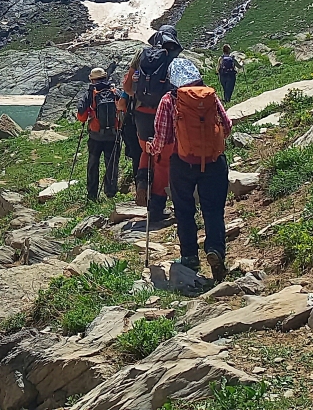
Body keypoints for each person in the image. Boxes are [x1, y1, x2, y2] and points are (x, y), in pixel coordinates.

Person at [149, 57, 233, 279]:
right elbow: (226, 126)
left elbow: (163, 138)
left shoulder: (169, 99)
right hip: (214, 162)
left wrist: (152, 148)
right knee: (213, 210)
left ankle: (189, 257)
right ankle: (215, 250)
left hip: (182, 163)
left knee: (184, 210)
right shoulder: (209, 95)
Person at [122, 24, 181, 218]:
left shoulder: (141, 55)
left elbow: (127, 86)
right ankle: (156, 206)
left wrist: (140, 97)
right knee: (163, 160)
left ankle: (142, 184)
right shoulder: (173, 57)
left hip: (141, 114)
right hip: (164, 113)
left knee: (146, 151)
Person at [75, 68, 122, 201]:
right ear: (105, 77)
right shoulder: (115, 91)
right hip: (113, 135)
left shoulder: (90, 93)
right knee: (111, 164)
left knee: (93, 165)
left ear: (92, 79)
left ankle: (92, 195)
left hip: (95, 137)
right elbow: (123, 108)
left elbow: (81, 116)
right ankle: (111, 193)